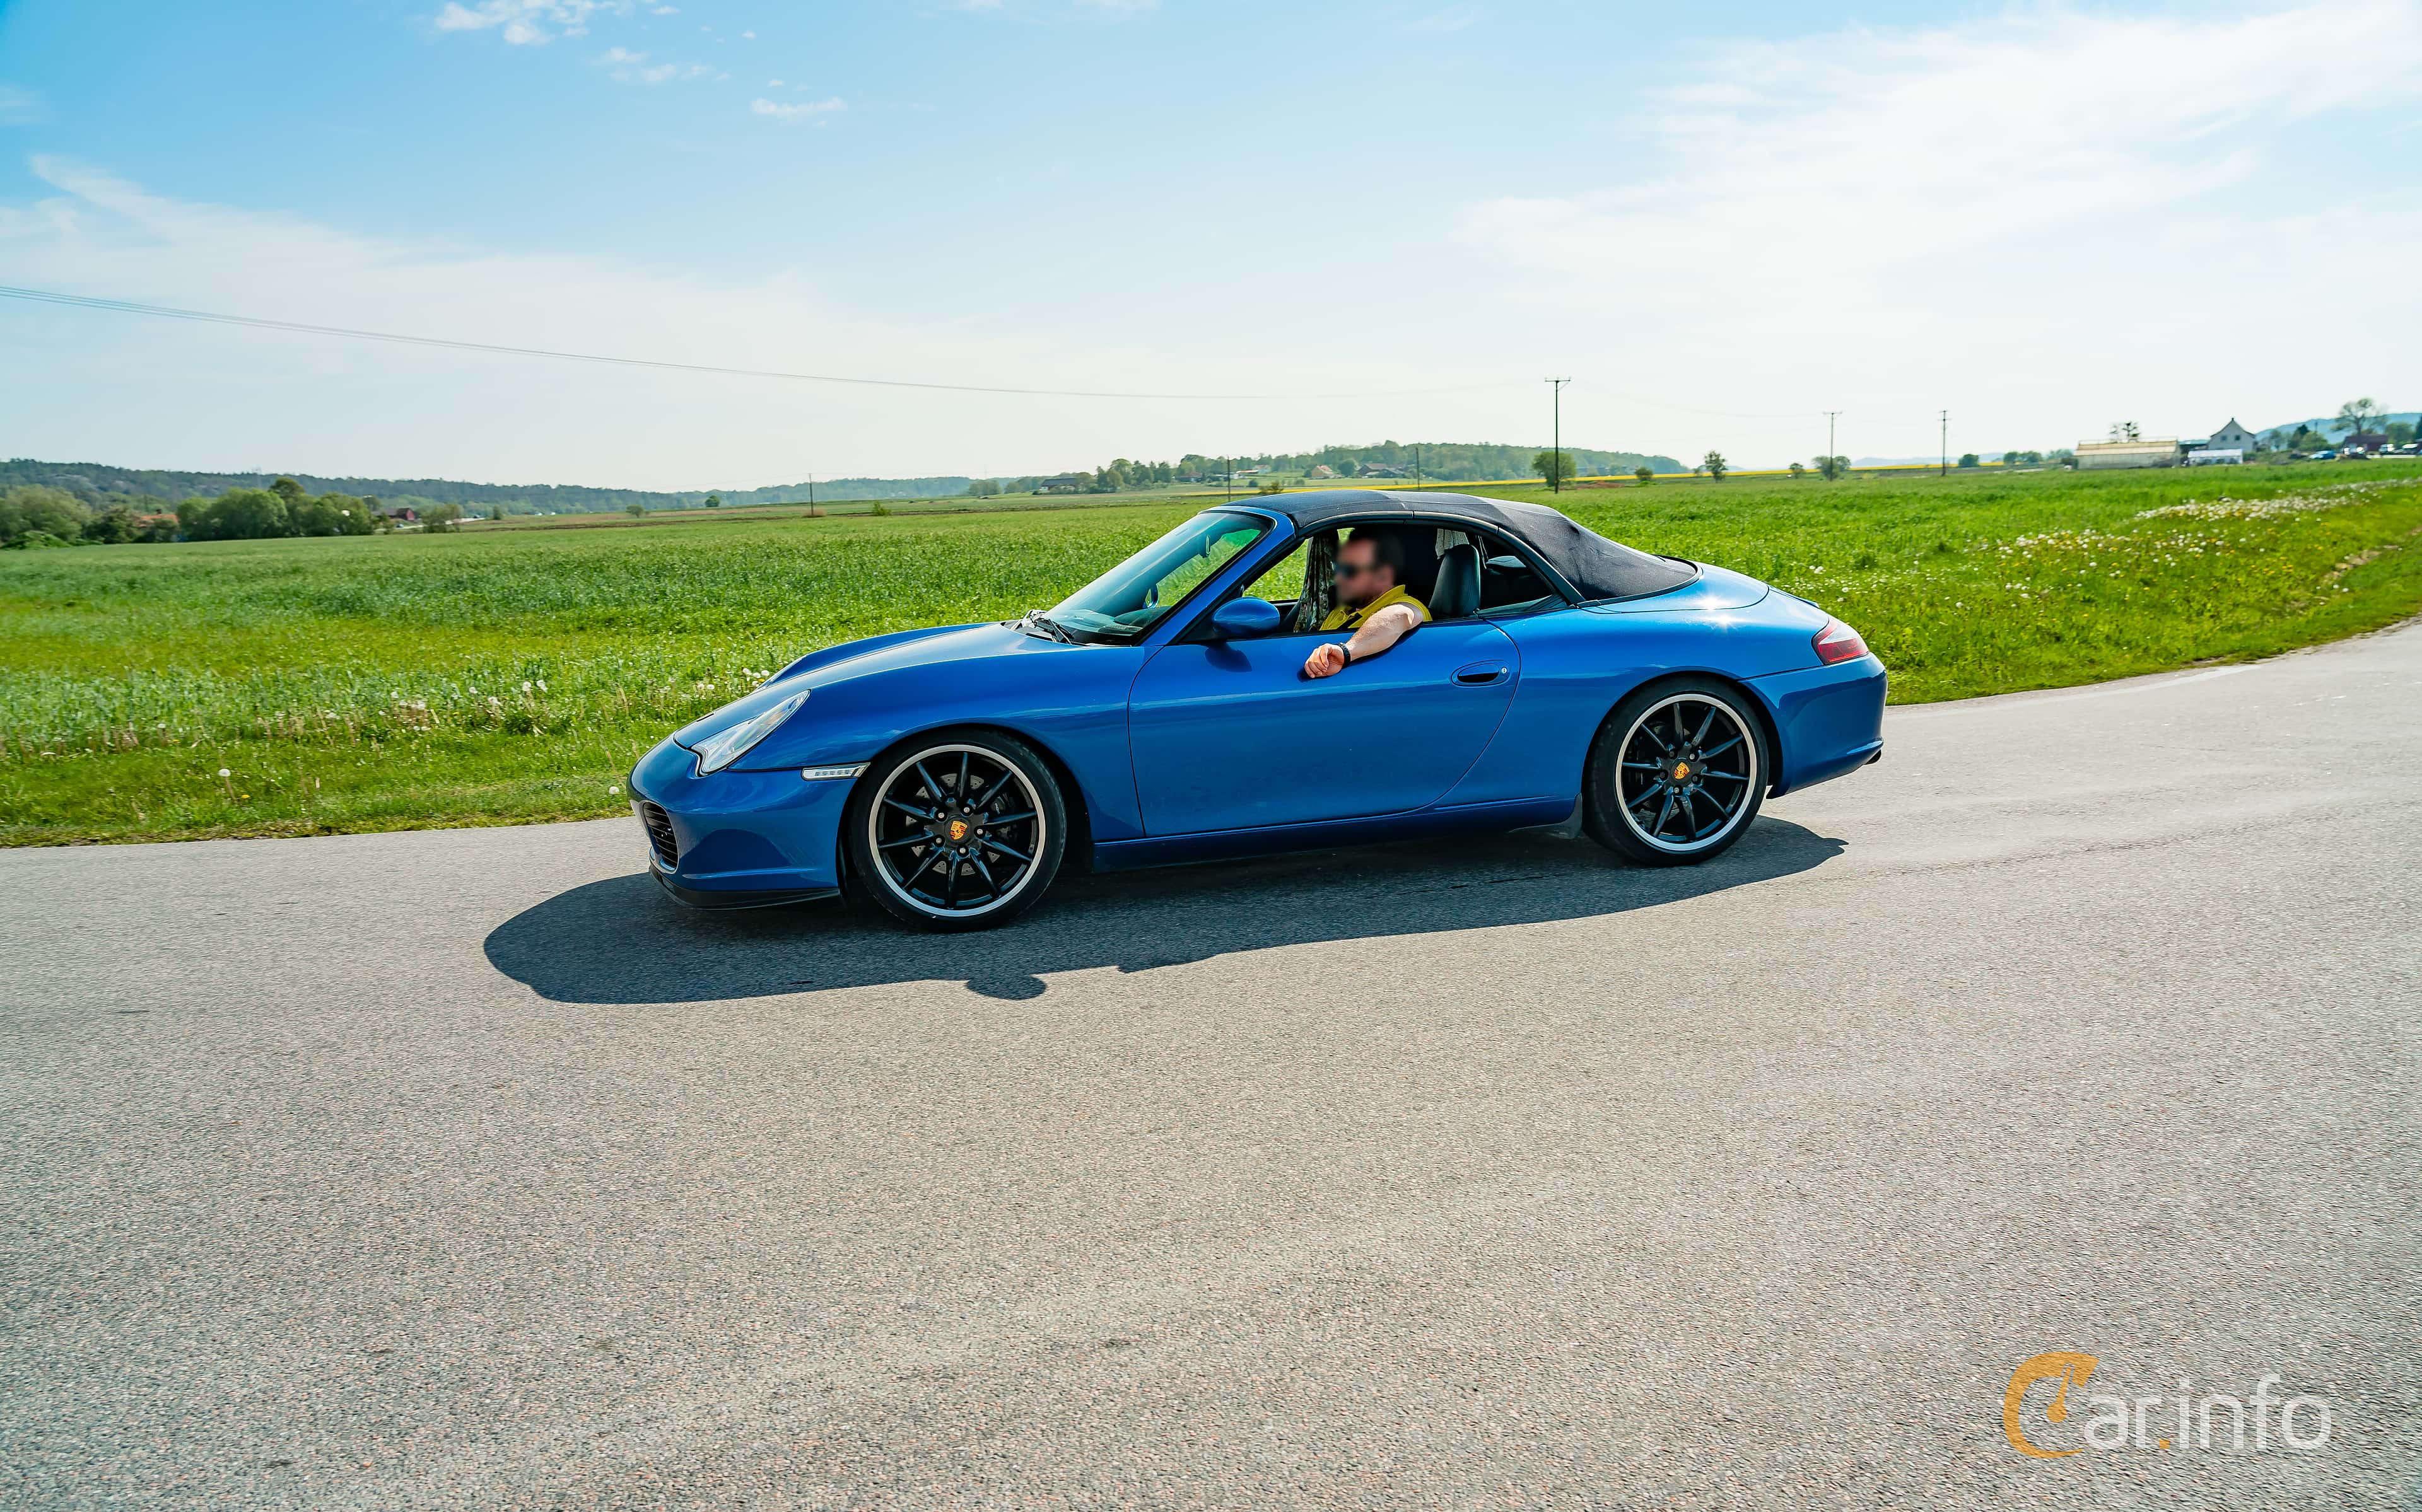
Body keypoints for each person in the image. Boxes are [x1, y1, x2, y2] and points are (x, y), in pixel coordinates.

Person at [1302, 528, 1429, 679]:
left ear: (1383, 575)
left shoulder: (1407, 604)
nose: (1339, 579)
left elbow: (1401, 615)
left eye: (1349, 571)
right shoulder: (1343, 610)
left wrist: (1345, 652)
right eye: (1338, 568)